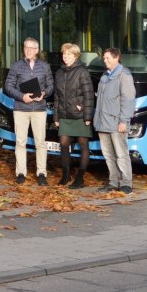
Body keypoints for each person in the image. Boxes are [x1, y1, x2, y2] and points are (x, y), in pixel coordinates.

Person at [3, 37, 54, 186]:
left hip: (39, 109)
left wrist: (44, 94)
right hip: (21, 109)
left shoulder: (45, 66)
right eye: (26, 47)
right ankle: (20, 173)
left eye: (32, 48)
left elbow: (51, 86)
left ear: (37, 50)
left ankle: (41, 173)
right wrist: (21, 96)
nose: (28, 50)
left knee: (40, 143)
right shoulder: (16, 66)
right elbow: (8, 86)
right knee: (20, 142)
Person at [93, 48, 136, 194]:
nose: (105, 61)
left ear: (117, 57)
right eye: (104, 58)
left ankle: (126, 183)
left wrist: (124, 120)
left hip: (117, 123)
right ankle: (113, 182)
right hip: (103, 123)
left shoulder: (124, 75)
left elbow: (128, 99)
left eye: (107, 58)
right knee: (108, 155)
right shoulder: (105, 76)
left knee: (121, 154)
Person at [53, 43, 94, 189]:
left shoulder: (82, 71)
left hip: (80, 115)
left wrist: (87, 116)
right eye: (64, 54)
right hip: (65, 115)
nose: (65, 56)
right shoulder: (59, 72)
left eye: (69, 54)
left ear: (75, 56)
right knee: (64, 144)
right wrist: (56, 117)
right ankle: (65, 175)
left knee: (83, 145)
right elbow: (57, 97)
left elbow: (89, 95)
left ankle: (80, 178)